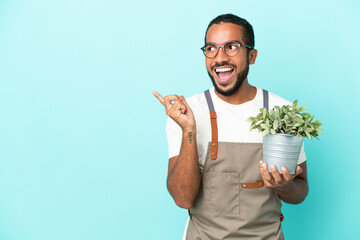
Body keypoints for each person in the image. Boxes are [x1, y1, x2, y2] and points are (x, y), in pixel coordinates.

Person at [153, 13, 308, 240]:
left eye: (231, 47)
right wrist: (189, 130)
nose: (219, 57)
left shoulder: (283, 112)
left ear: (252, 55)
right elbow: (183, 199)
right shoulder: (187, 112)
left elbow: (301, 190)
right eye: (211, 48)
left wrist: (284, 186)